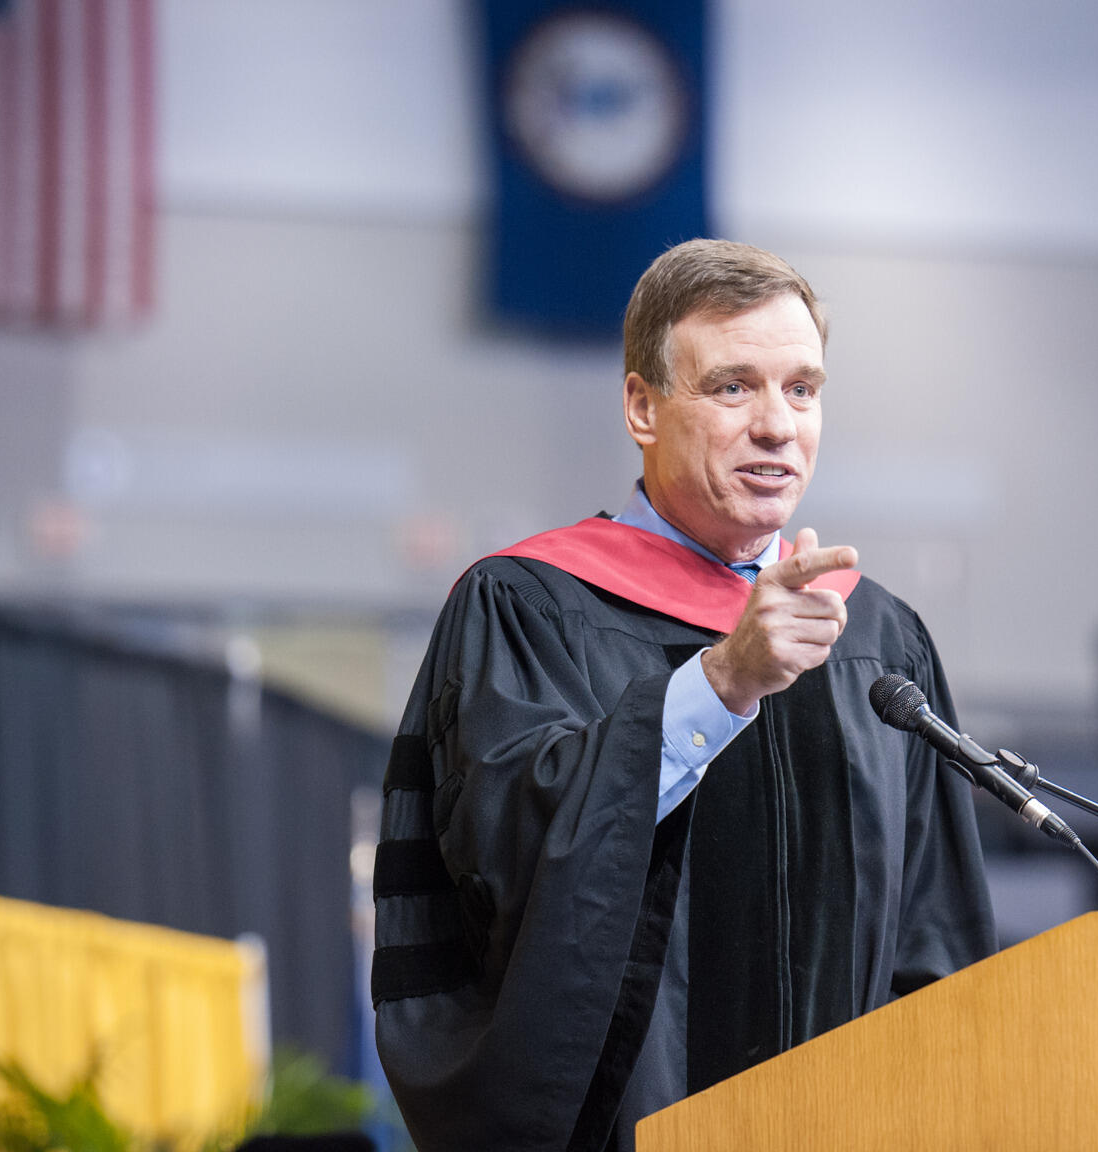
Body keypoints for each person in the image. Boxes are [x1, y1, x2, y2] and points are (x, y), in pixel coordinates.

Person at [370, 240, 996, 1152]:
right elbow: (504, 868)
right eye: (733, 387)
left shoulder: (876, 640)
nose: (779, 426)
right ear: (642, 406)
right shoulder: (528, 606)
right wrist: (718, 684)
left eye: (803, 389)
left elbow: (934, 941)